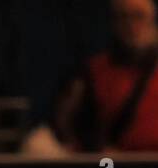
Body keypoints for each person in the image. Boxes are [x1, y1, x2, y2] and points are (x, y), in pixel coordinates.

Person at [55, 0, 158, 152]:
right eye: (123, 17)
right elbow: (68, 125)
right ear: (113, 23)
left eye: (138, 16)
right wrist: (96, 150)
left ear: (152, 21)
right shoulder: (92, 72)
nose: (131, 25)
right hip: (112, 167)